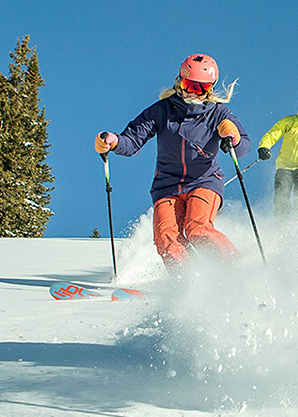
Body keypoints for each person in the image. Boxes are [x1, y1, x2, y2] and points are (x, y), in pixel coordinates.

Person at [95, 53, 251, 266]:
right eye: (189, 85)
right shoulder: (161, 111)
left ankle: (239, 269)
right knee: (166, 238)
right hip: (167, 186)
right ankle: (187, 283)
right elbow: (132, 141)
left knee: (197, 229)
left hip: (204, 181)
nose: (193, 93)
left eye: (201, 88)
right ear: (180, 81)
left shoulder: (218, 113)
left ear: (210, 88)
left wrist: (233, 136)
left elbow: (243, 146)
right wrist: (113, 142)